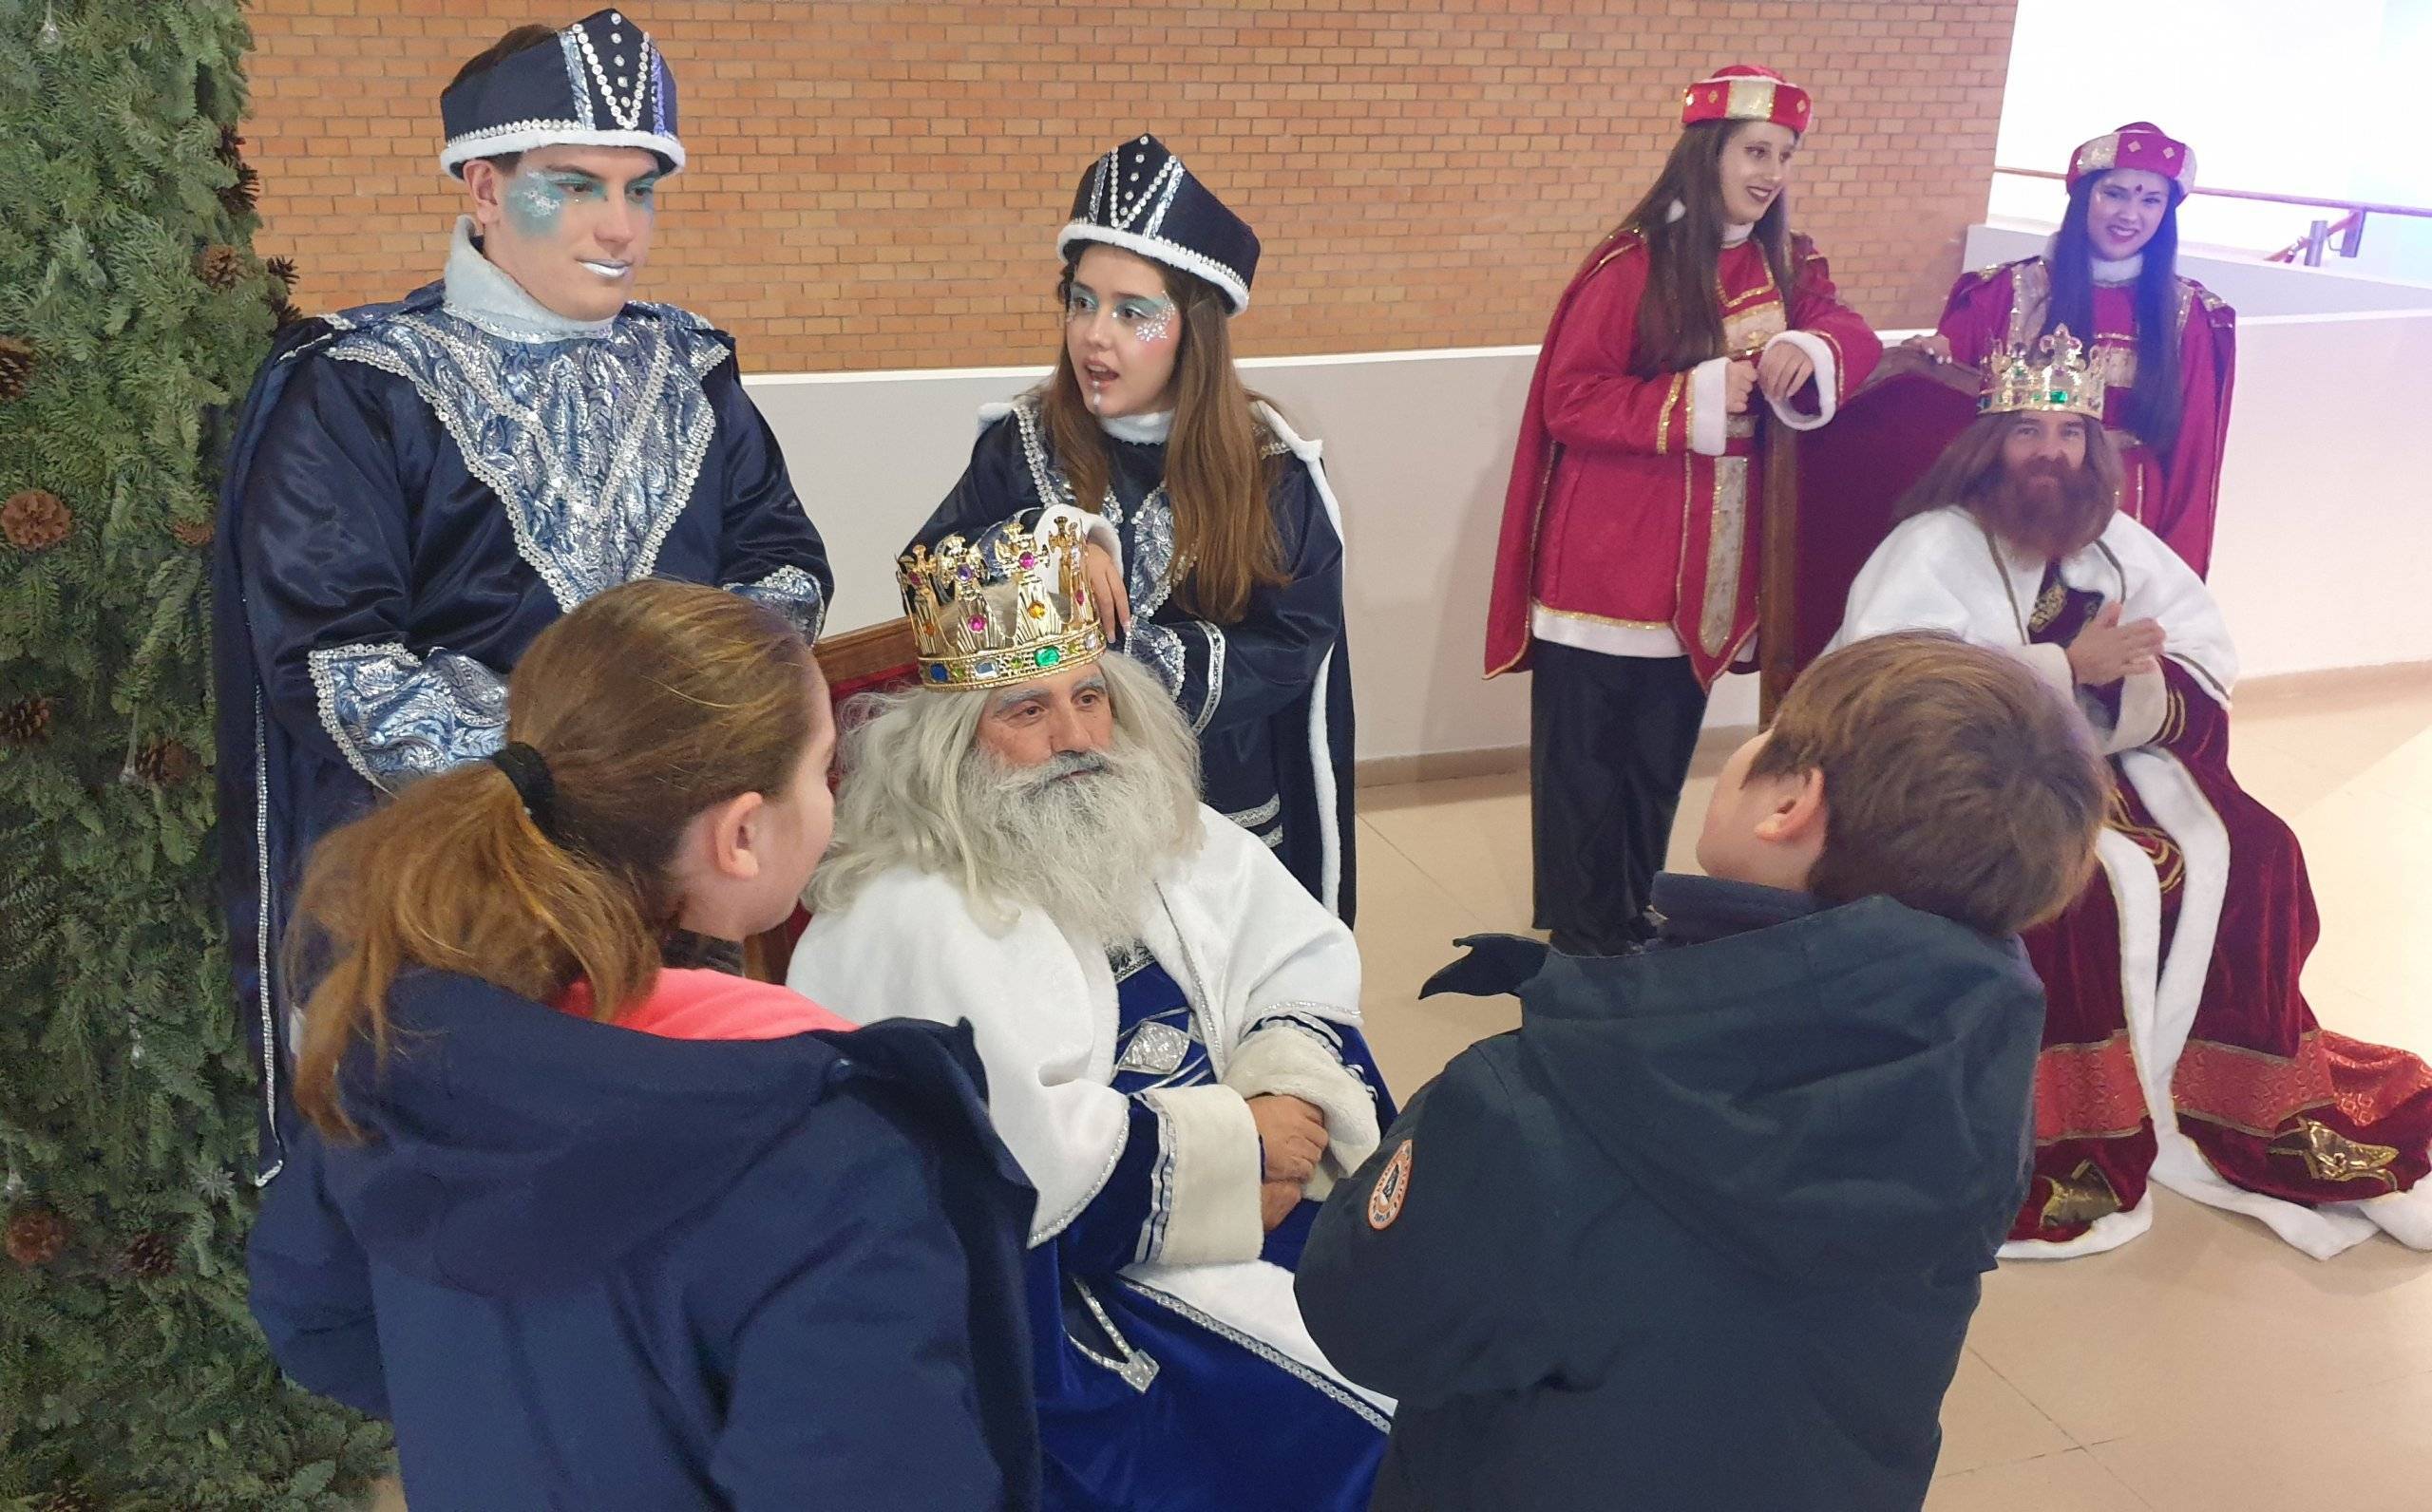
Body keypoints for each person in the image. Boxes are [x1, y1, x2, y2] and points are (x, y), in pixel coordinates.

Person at [245, 581, 1036, 1509]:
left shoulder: (402, 1043)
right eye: (823, 770)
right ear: (741, 832)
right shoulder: (824, 1150)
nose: (831, 799)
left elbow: (314, 1311)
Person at [214, 10, 833, 1179]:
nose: (619, 227)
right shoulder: (360, 384)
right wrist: (580, 788)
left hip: (674, 887)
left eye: (641, 188)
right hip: (461, 910)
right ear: (482, 187)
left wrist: (688, 755)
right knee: (480, 1206)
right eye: (575, 184)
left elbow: (781, 570)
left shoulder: (689, 364)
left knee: (675, 1190)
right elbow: (334, 663)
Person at [1296, 632, 2108, 1511]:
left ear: (1791, 801)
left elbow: (1363, 1321)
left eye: (1770, 735)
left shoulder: (1526, 1105)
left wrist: (1419, 1140)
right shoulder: (1971, 1073)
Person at [788, 509, 1391, 1511]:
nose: (1074, 738)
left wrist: (1290, 1090)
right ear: (951, 745)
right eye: (1023, 711)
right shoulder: (904, 910)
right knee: (1334, 1427)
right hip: (1079, 1276)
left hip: (1274, 1174)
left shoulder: (1163, 822)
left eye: (1088, 696)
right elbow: (1006, 1166)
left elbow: (1298, 959)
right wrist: (1237, 1148)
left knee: (1469, 1309)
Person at [1833, 330, 2432, 1259]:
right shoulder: (1932, 545)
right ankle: (2072, 1116)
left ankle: (2226, 1087)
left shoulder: (2116, 544)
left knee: (2259, 851)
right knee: (2081, 888)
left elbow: (2202, 648)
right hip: (1970, 787)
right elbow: (1886, 685)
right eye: (2028, 429)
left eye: (2069, 433)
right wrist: (2059, 666)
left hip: (2112, 761)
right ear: (1988, 442)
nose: (2049, 452)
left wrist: (2128, 683)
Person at [1482, 65, 1882, 955]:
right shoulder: (1634, 265)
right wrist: (1704, 392)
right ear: (1707, 152)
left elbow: (1848, 330)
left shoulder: (1786, 262)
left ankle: (1629, 920)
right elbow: (1571, 401)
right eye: (1754, 149)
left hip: (1706, 574)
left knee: (1658, 765)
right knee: (1586, 772)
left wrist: (1808, 347)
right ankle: (1584, 940)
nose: (1771, 169)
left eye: (1783, 153)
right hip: (1608, 561)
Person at [910, 134, 1357, 920]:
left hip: (1217, 802)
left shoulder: (1268, 467)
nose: (1094, 334)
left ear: (1193, 327)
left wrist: (1134, 669)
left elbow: (1296, 643)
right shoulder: (1021, 445)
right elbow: (932, 586)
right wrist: (1051, 544)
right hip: (1050, 805)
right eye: (1081, 301)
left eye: (1132, 312)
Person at [1907, 122, 2234, 576]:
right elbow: (1949, 413)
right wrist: (1931, 355)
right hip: (2015, 507)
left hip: (2134, 515)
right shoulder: (2006, 291)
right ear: (2084, 199)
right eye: (2115, 194)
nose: (2130, 214)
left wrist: (2174, 572)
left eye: (2150, 200)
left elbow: (2193, 461)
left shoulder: (2189, 315)